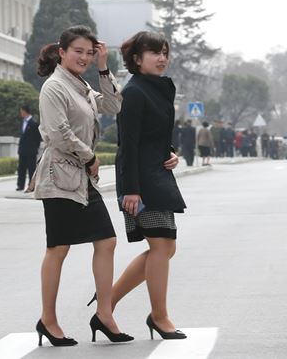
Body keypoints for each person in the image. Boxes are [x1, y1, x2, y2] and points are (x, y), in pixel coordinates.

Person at [32, 25, 132, 346]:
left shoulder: (82, 85)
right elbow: (58, 133)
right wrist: (90, 156)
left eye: (90, 53)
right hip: (60, 178)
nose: (84, 57)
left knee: (106, 241)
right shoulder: (54, 87)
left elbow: (115, 106)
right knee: (58, 249)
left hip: (83, 179)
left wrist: (104, 66)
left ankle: (104, 314)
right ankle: (48, 320)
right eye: (78, 51)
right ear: (62, 52)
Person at [111, 30, 187, 340]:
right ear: (136, 59)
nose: (162, 58)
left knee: (165, 246)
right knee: (161, 245)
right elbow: (127, 144)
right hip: (140, 181)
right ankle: (159, 316)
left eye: (165, 52)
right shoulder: (134, 92)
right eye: (155, 52)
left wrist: (170, 152)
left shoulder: (161, 87)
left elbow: (156, 133)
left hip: (157, 174)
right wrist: (131, 189)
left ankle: (106, 306)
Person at [16, 105, 41, 192]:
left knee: (31, 169)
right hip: (22, 150)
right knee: (21, 168)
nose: (20, 113)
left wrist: (35, 148)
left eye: (21, 111)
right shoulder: (22, 122)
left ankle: (31, 185)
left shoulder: (34, 123)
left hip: (31, 150)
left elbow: (38, 138)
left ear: (24, 111)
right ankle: (20, 185)